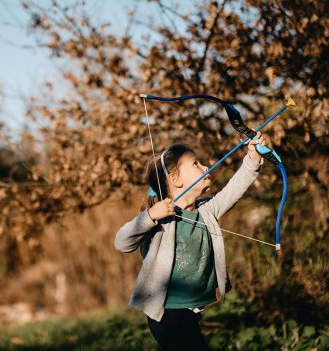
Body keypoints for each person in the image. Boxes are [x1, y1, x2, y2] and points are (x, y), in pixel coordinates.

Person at [114, 133, 268, 350]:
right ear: (175, 178)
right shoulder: (160, 216)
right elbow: (122, 242)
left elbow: (234, 189)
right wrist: (149, 217)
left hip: (190, 313)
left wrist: (252, 159)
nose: (205, 167)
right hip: (166, 315)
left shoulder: (207, 210)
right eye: (196, 164)